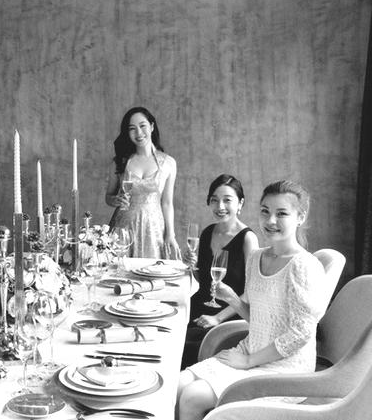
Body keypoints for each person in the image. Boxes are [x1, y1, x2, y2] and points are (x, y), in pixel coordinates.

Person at [176, 180, 331, 420]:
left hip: (286, 368)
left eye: (281, 214)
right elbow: (260, 320)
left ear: (300, 217)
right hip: (251, 350)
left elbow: (300, 335)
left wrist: (249, 361)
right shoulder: (256, 258)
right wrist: (233, 299)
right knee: (177, 384)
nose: (270, 221)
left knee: (192, 397)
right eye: (265, 211)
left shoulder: (304, 265)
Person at [181, 174, 259, 368]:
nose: (220, 206)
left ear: (240, 203)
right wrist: (191, 265)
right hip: (199, 308)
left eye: (227, 200)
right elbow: (203, 281)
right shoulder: (208, 232)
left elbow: (252, 292)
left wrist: (217, 318)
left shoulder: (248, 239)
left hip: (228, 315)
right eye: (214, 200)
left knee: (184, 347)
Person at [105, 106, 179, 259]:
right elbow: (108, 197)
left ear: (152, 127)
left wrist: (170, 234)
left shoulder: (168, 163)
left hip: (154, 230)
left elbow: (167, 203)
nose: (138, 133)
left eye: (142, 126)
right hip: (122, 229)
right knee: (119, 270)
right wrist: (115, 200)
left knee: (151, 271)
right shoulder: (120, 162)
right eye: (132, 129)